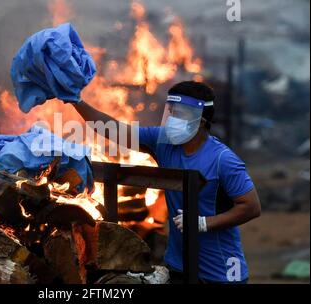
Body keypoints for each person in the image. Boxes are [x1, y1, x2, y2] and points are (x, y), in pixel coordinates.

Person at [67, 81, 261, 283]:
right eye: (170, 111)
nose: (171, 120)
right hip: (178, 265)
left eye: (179, 113)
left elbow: (251, 206)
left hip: (221, 270)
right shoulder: (163, 141)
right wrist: (76, 101)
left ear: (201, 120)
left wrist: (203, 223)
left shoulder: (223, 160)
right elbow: (114, 130)